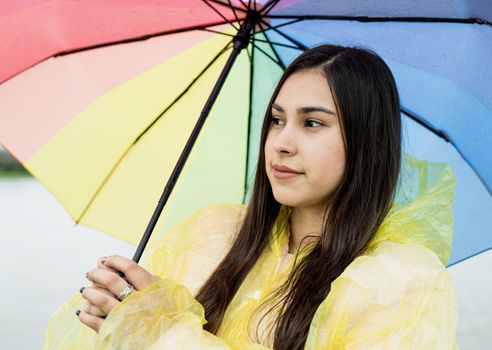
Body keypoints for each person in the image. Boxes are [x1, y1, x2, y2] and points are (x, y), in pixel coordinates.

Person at [44, 45, 459, 349]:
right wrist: (115, 320)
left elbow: (159, 333)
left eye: (312, 123)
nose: (281, 142)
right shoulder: (212, 232)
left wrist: (161, 332)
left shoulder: (399, 281)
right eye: (277, 119)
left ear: (368, 144)